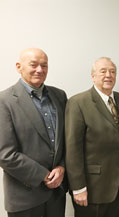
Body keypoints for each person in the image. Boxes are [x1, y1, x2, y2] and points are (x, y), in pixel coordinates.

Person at [0, 48, 67, 217]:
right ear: (18, 66)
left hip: (56, 195)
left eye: (44, 65)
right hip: (24, 197)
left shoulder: (59, 96)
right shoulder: (4, 101)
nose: (40, 70)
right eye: (34, 65)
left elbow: (68, 140)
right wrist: (44, 176)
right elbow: (5, 153)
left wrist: (62, 167)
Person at [65, 57, 119, 217]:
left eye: (112, 71)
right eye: (103, 71)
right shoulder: (78, 103)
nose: (108, 75)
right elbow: (72, 148)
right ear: (93, 76)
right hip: (91, 188)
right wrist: (78, 187)